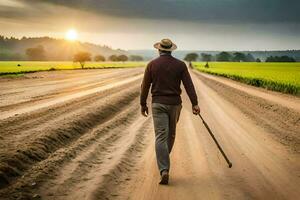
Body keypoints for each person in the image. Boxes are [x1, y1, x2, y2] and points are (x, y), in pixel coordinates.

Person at [140, 38, 200, 185]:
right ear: (171, 50)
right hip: (175, 104)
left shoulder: (152, 65)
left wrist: (143, 104)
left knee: (161, 136)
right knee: (171, 134)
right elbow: (189, 85)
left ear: (159, 49)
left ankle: (164, 169)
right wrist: (195, 103)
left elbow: (145, 86)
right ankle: (164, 165)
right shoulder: (180, 65)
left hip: (158, 104)